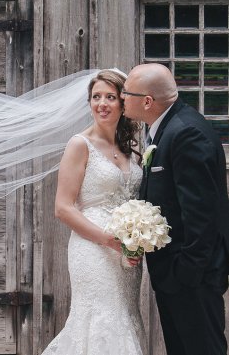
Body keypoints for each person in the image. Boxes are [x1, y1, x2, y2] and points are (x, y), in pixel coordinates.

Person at [122, 63, 229, 355]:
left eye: (125, 93)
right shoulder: (166, 128)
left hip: (191, 278)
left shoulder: (185, 133)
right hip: (178, 277)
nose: (121, 98)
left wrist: (185, 273)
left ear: (147, 101)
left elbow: (201, 213)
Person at [41, 69, 146, 355]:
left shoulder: (129, 148)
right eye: (96, 97)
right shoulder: (79, 144)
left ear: (123, 103)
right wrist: (108, 240)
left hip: (126, 251)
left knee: (125, 314)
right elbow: (63, 208)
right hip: (93, 248)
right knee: (101, 317)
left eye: (110, 97)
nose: (102, 103)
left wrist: (137, 237)